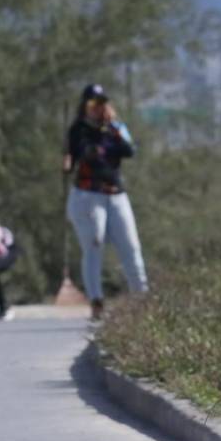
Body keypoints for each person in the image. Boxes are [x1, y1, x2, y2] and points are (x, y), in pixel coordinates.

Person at [63, 83, 149, 321]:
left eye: (101, 104)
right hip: (88, 195)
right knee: (94, 244)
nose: (97, 108)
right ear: (85, 106)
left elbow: (129, 150)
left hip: (116, 194)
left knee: (131, 247)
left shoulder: (116, 127)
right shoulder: (78, 130)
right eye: (92, 104)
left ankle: (142, 299)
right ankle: (96, 300)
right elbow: (82, 152)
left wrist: (111, 127)